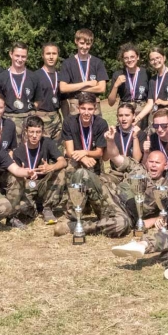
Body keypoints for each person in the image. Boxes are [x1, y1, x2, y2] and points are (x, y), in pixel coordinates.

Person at [55, 92, 112, 233]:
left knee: (97, 182)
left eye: (90, 109)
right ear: (78, 108)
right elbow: (69, 151)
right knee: (71, 168)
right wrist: (83, 157)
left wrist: (85, 153)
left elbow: (99, 152)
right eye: (83, 109)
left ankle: (95, 206)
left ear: (95, 109)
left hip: (94, 161)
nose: (87, 113)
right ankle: (72, 211)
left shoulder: (101, 123)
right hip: (76, 160)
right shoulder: (69, 121)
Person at [9, 115, 67, 225]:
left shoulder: (47, 143)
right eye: (31, 132)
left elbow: (63, 161)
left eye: (38, 132)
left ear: (42, 132)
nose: (35, 136)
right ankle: (34, 209)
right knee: (20, 207)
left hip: (43, 183)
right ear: (26, 131)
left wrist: (50, 167)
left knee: (60, 172)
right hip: (27, 187)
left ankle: (47, 208)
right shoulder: (18, 151)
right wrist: (23, 173)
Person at [58, 28, 108, 117]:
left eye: (88, 44)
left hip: (93, 105)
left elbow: (101, 88)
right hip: (75, 106)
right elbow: (63, 88)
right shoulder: (67, 63)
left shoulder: (97, 62)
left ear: (91, 44)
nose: (84, 47)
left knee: (96, 130)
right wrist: (88, 83)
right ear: (76, 41)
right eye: (82, 43)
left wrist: (77, 88)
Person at [0, 42, 36, 138]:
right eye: (17, 55)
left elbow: (37, 101)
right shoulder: (1, 77)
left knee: (28, 151)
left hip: (28, 119)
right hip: (8, 119)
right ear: (10, 54)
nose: (20, 59)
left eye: (23, 56)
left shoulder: (33, 77)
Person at [108, 43, 151, 129]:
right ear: (123, 59)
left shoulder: (146, 73)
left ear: (137, 57)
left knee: (141, 137)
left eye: (132, 57)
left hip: (142, 112)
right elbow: (111, 102)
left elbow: (150, 99)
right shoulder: (118, 74)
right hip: (125, 111)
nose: (129, 60)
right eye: (126, 58)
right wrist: (116, 85)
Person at [32, 42, 64, 141]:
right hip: (41, 118)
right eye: (48, 53)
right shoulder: (35, 76)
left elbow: (64, 102)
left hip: (56, 118)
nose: (51, 57)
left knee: (58, 152)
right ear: (42, 55)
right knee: (42, 152)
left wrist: (67, 121)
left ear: (58, 55)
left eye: (54, 54)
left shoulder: (61, 76)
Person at [103, 103, 143, 181]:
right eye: (120, 115)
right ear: (117, 117)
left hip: (134, 173)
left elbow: (137, 159)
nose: (123, 118)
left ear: (133, 116)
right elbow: (105, 158)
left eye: (127, 115)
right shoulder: (113, 133)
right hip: (116, 173)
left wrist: (135, 138)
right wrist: (109, 141)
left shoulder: (140, 134)